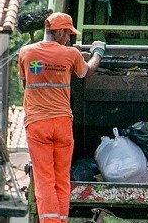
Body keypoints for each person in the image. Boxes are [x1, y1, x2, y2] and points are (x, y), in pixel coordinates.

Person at [17, 12, 106, 223]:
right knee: (61, 178)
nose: (69, 39)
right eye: (67, 34)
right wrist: (98, 52)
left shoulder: (26, 53)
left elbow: (25, 83)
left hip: (38, 124)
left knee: (44, 178)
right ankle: (61, 219)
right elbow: (87, 72)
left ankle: (51, 221)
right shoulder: (71, 54)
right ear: (59, 31)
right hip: (62, 124)